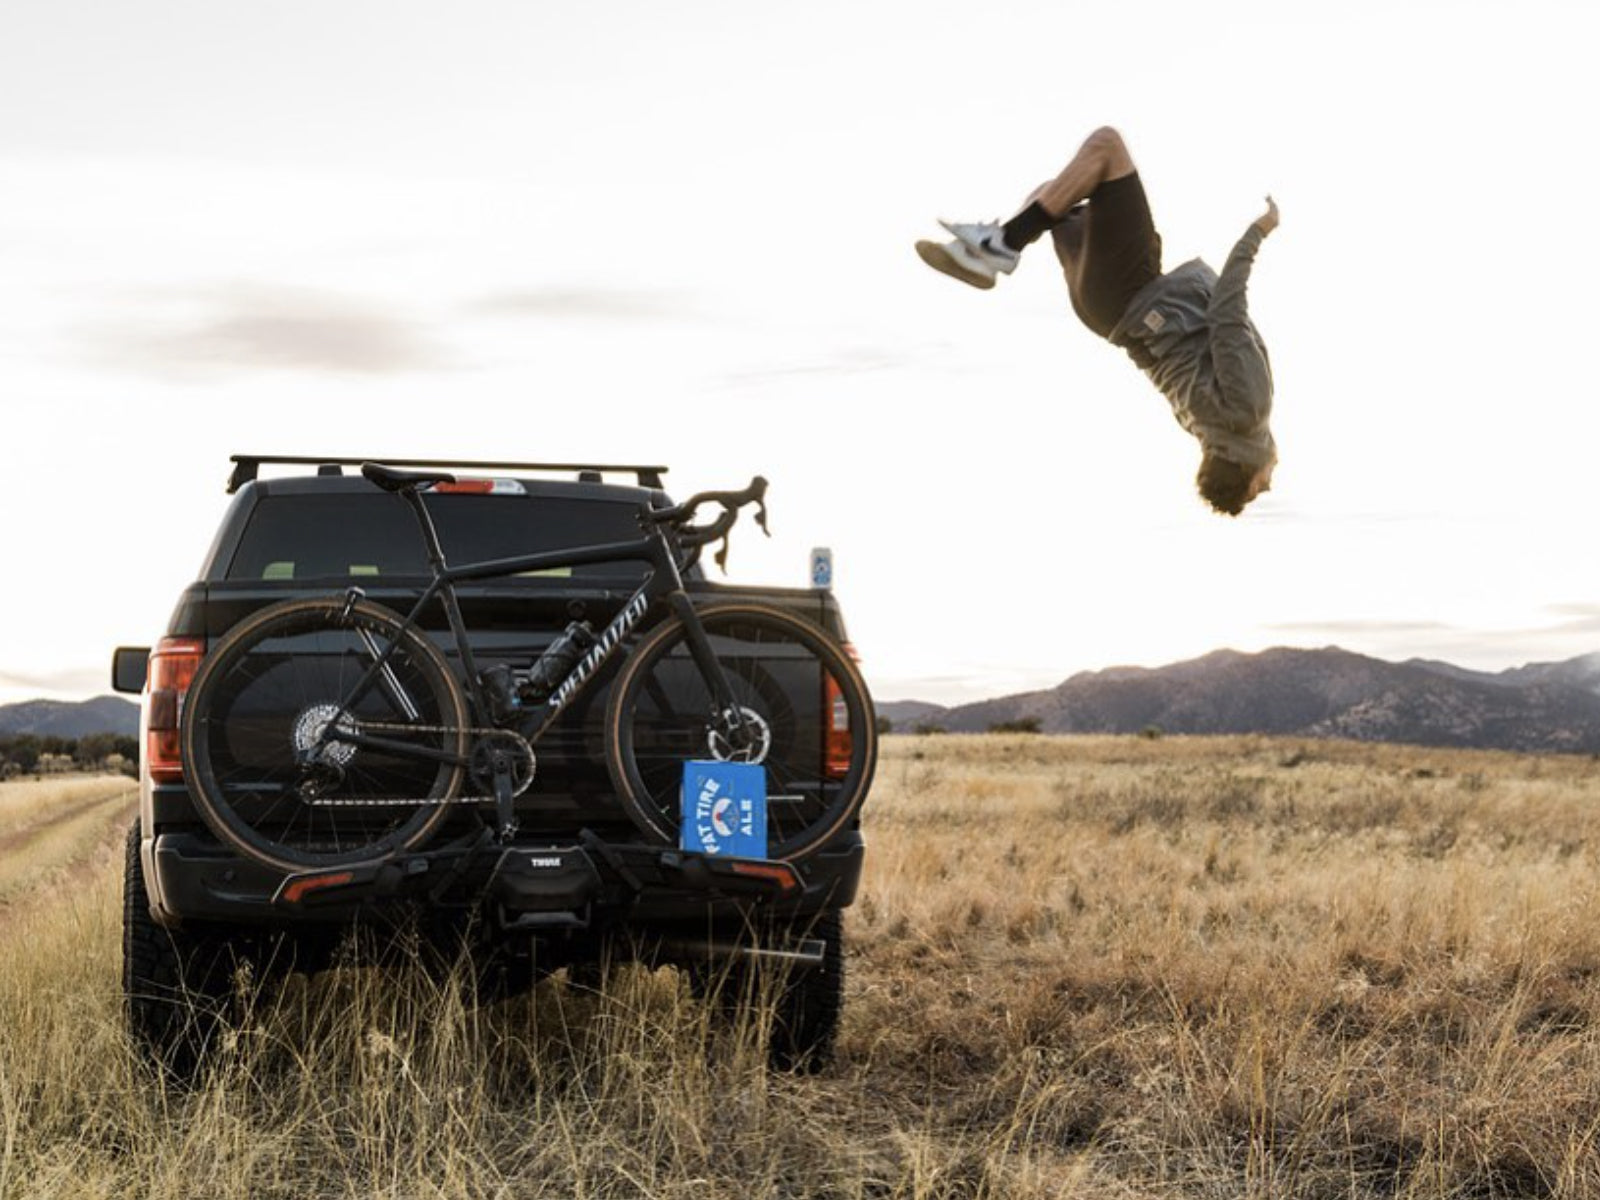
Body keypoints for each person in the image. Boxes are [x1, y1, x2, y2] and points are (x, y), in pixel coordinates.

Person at [916, 127, 1280, 516]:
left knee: (1107, 147)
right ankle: (992, 248)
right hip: (1103, 312)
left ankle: (998, 247)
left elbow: (1228, 313)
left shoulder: (1248, 411)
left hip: (1131, 286)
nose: (1269, 485)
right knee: (1056, 194)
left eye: (1258, 490)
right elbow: (1154, 362)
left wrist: (1258, 232)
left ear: (1247, 473)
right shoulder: (1201, 426)